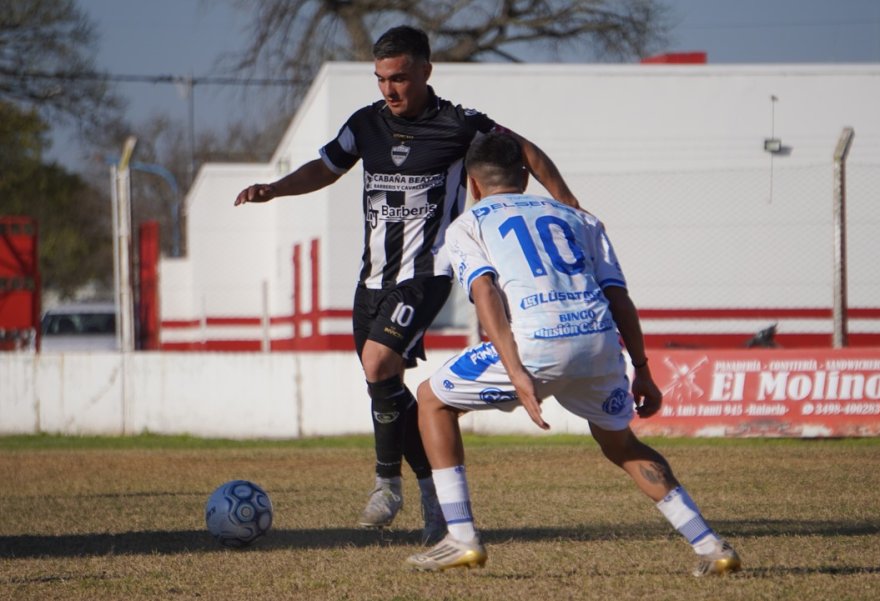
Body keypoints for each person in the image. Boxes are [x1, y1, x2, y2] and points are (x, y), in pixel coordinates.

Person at [234, 26, 580, 544]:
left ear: (425, 71)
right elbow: (326, 169)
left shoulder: (461, 125)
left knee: (378, 364)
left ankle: (385, 483)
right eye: (380, 80)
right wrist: (275, 190)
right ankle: (433, 500)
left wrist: (567, 205)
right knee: (387, 387)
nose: (389, 90)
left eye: (398, 78)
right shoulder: (365, 125)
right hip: (371, 279)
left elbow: (526, 151)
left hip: (426, 275)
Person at [405, 133, 741, 577]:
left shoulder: (469, 223)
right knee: (622, 444)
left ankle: (462, 537)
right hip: (599, 344)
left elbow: (483, 290)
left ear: (473, 183)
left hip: (537, 342)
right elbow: (619, 296)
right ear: (526, 177)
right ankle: (711, 546)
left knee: (432, 399)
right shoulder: (580, 218)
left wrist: (515, 371)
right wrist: (642, 369)